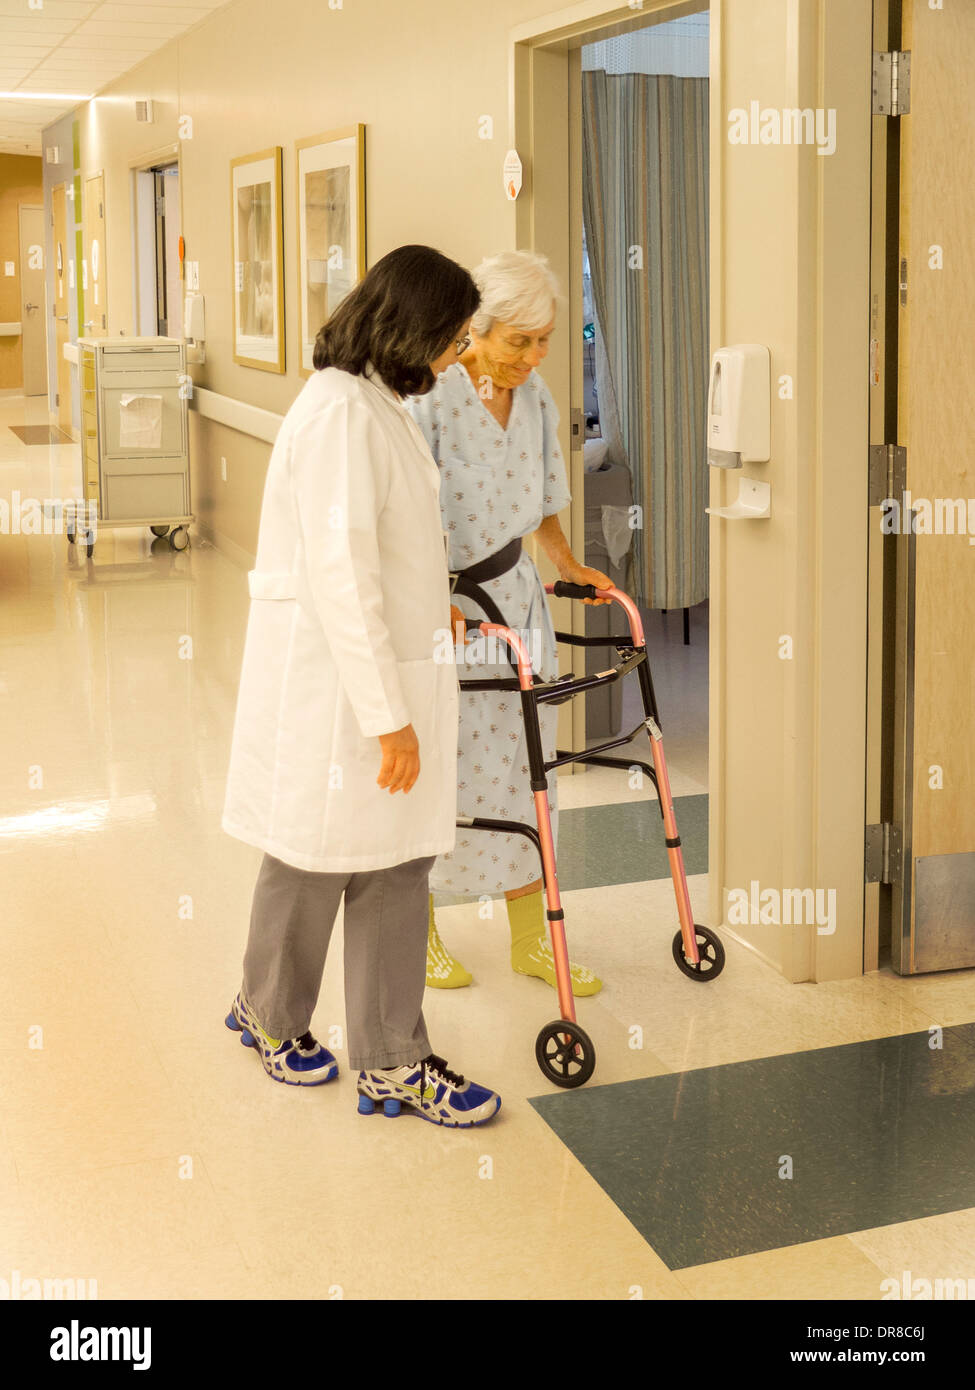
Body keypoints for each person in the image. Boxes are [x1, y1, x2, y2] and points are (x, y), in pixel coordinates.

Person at [221, 245, 500, 1127]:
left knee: (375, 860)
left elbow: (387, 546)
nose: (456, 358)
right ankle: (346, 1045)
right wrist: (389, 721)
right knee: (332, 859)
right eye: (452, 340)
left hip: (375, 664)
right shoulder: (342, 412)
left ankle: (326, 1033)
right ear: (409, 327)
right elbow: (341, 573)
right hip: (345, 682)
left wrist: (435, 604)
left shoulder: (372, 401)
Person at [406, 250, 613, 995]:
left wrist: (566, 559)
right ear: (473, 332)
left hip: (516, 601)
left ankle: (532, 938)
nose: (533, 357)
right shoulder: (427, 398)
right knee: (446, 775)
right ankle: (417, 933)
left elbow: (544, 497)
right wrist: (430, 602)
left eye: (544, 340)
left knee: (529, 768)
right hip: (447, 611)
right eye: (516, 341)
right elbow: (403, 520)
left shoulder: (535, 398)